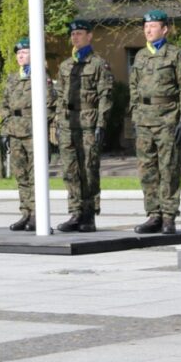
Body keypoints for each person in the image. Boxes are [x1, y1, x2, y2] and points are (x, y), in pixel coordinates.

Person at [130, 11, 181, 235]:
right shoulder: (139, 56)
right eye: (146, 26)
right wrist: (135, 115)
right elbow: (134, 88)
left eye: (153, 26)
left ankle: (169, 216)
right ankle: (154, 215)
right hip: (144, 118)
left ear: (164, 29)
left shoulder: (176, 55)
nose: (148, 30)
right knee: (147, 169)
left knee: (169, 169)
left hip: (168, 117)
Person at [53, 19, 113, 233]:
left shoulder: (98, 64)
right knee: (70, 170)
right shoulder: (65, 66)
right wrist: (58, 122)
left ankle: (89, 214)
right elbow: (59, 96)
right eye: (73, 34)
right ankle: (75, 212)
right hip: (68, 122)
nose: (75, 37)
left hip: (88, 122)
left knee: (88, 168)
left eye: (79, 33)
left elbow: (105, 95)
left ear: (89, 36)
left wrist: (101, 124)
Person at [0, 38, 54, 231]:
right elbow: (5, 104)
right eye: (18, 53)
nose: (20, 56)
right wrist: (5, 130)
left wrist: (42, 128)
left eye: (24, 52)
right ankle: (26, 213)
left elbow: (49, 104)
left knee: (35, 175)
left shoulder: (41, 76)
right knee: (20, 175)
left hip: (33, 132)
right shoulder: (13, 78)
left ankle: (37, 215)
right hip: (15, 132)